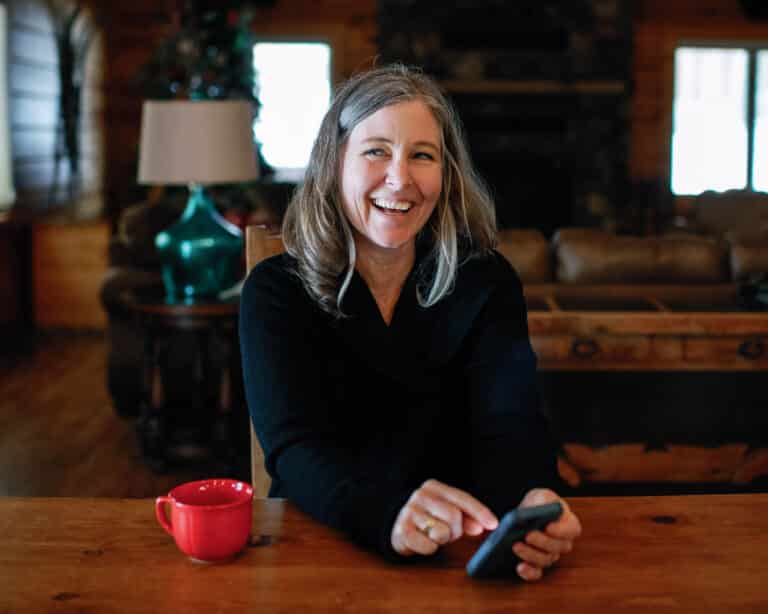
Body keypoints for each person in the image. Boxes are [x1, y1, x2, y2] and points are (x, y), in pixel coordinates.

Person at [239, 64, 581, 581]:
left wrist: (533, 496)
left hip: (459, 553)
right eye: (376, 151)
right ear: (335, 163)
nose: (400, 179)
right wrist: (386, 513)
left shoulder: (487, 280)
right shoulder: (275, 290)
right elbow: (295, 449)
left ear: (445, 176)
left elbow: (512, 425)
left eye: (422, 155)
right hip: (318, 546)